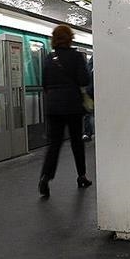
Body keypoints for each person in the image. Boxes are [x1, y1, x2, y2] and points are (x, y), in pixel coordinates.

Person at [38, 25, 92, 197]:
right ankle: (81, 176)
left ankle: (45, 177)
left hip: (53, 107)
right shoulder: (76, 57)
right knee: (76, 142)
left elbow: (44, 83)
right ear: (70, 38)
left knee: (54, 144)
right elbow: (84, 80)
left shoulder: (49, 58)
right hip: (73, 105)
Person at [82, 56, 95, 142]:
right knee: (89, 114)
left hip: (89, 91)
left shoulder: (89, 65)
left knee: (88, 114)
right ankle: (88, 132)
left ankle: (87, 133)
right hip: (92, 91)